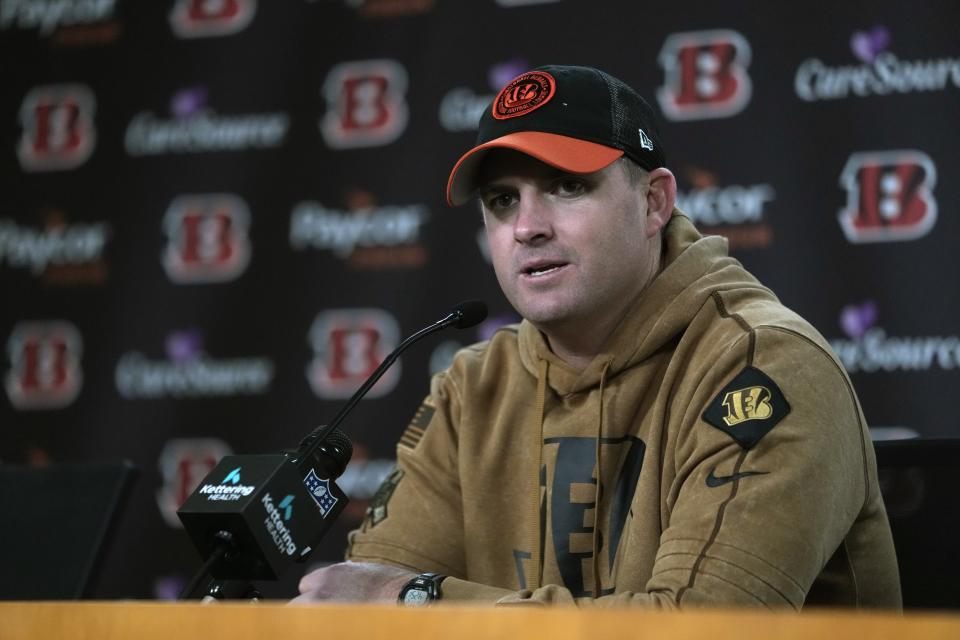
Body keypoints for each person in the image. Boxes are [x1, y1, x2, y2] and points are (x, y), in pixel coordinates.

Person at [292, 65, 901, 608]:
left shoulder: (765, 364)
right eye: (503, 200)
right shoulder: (473, 387)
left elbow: (698, 630)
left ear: (655, 202)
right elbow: (360, 601)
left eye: (567, 186)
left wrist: (418, 600)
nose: (527, 227)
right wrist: (392, 597)